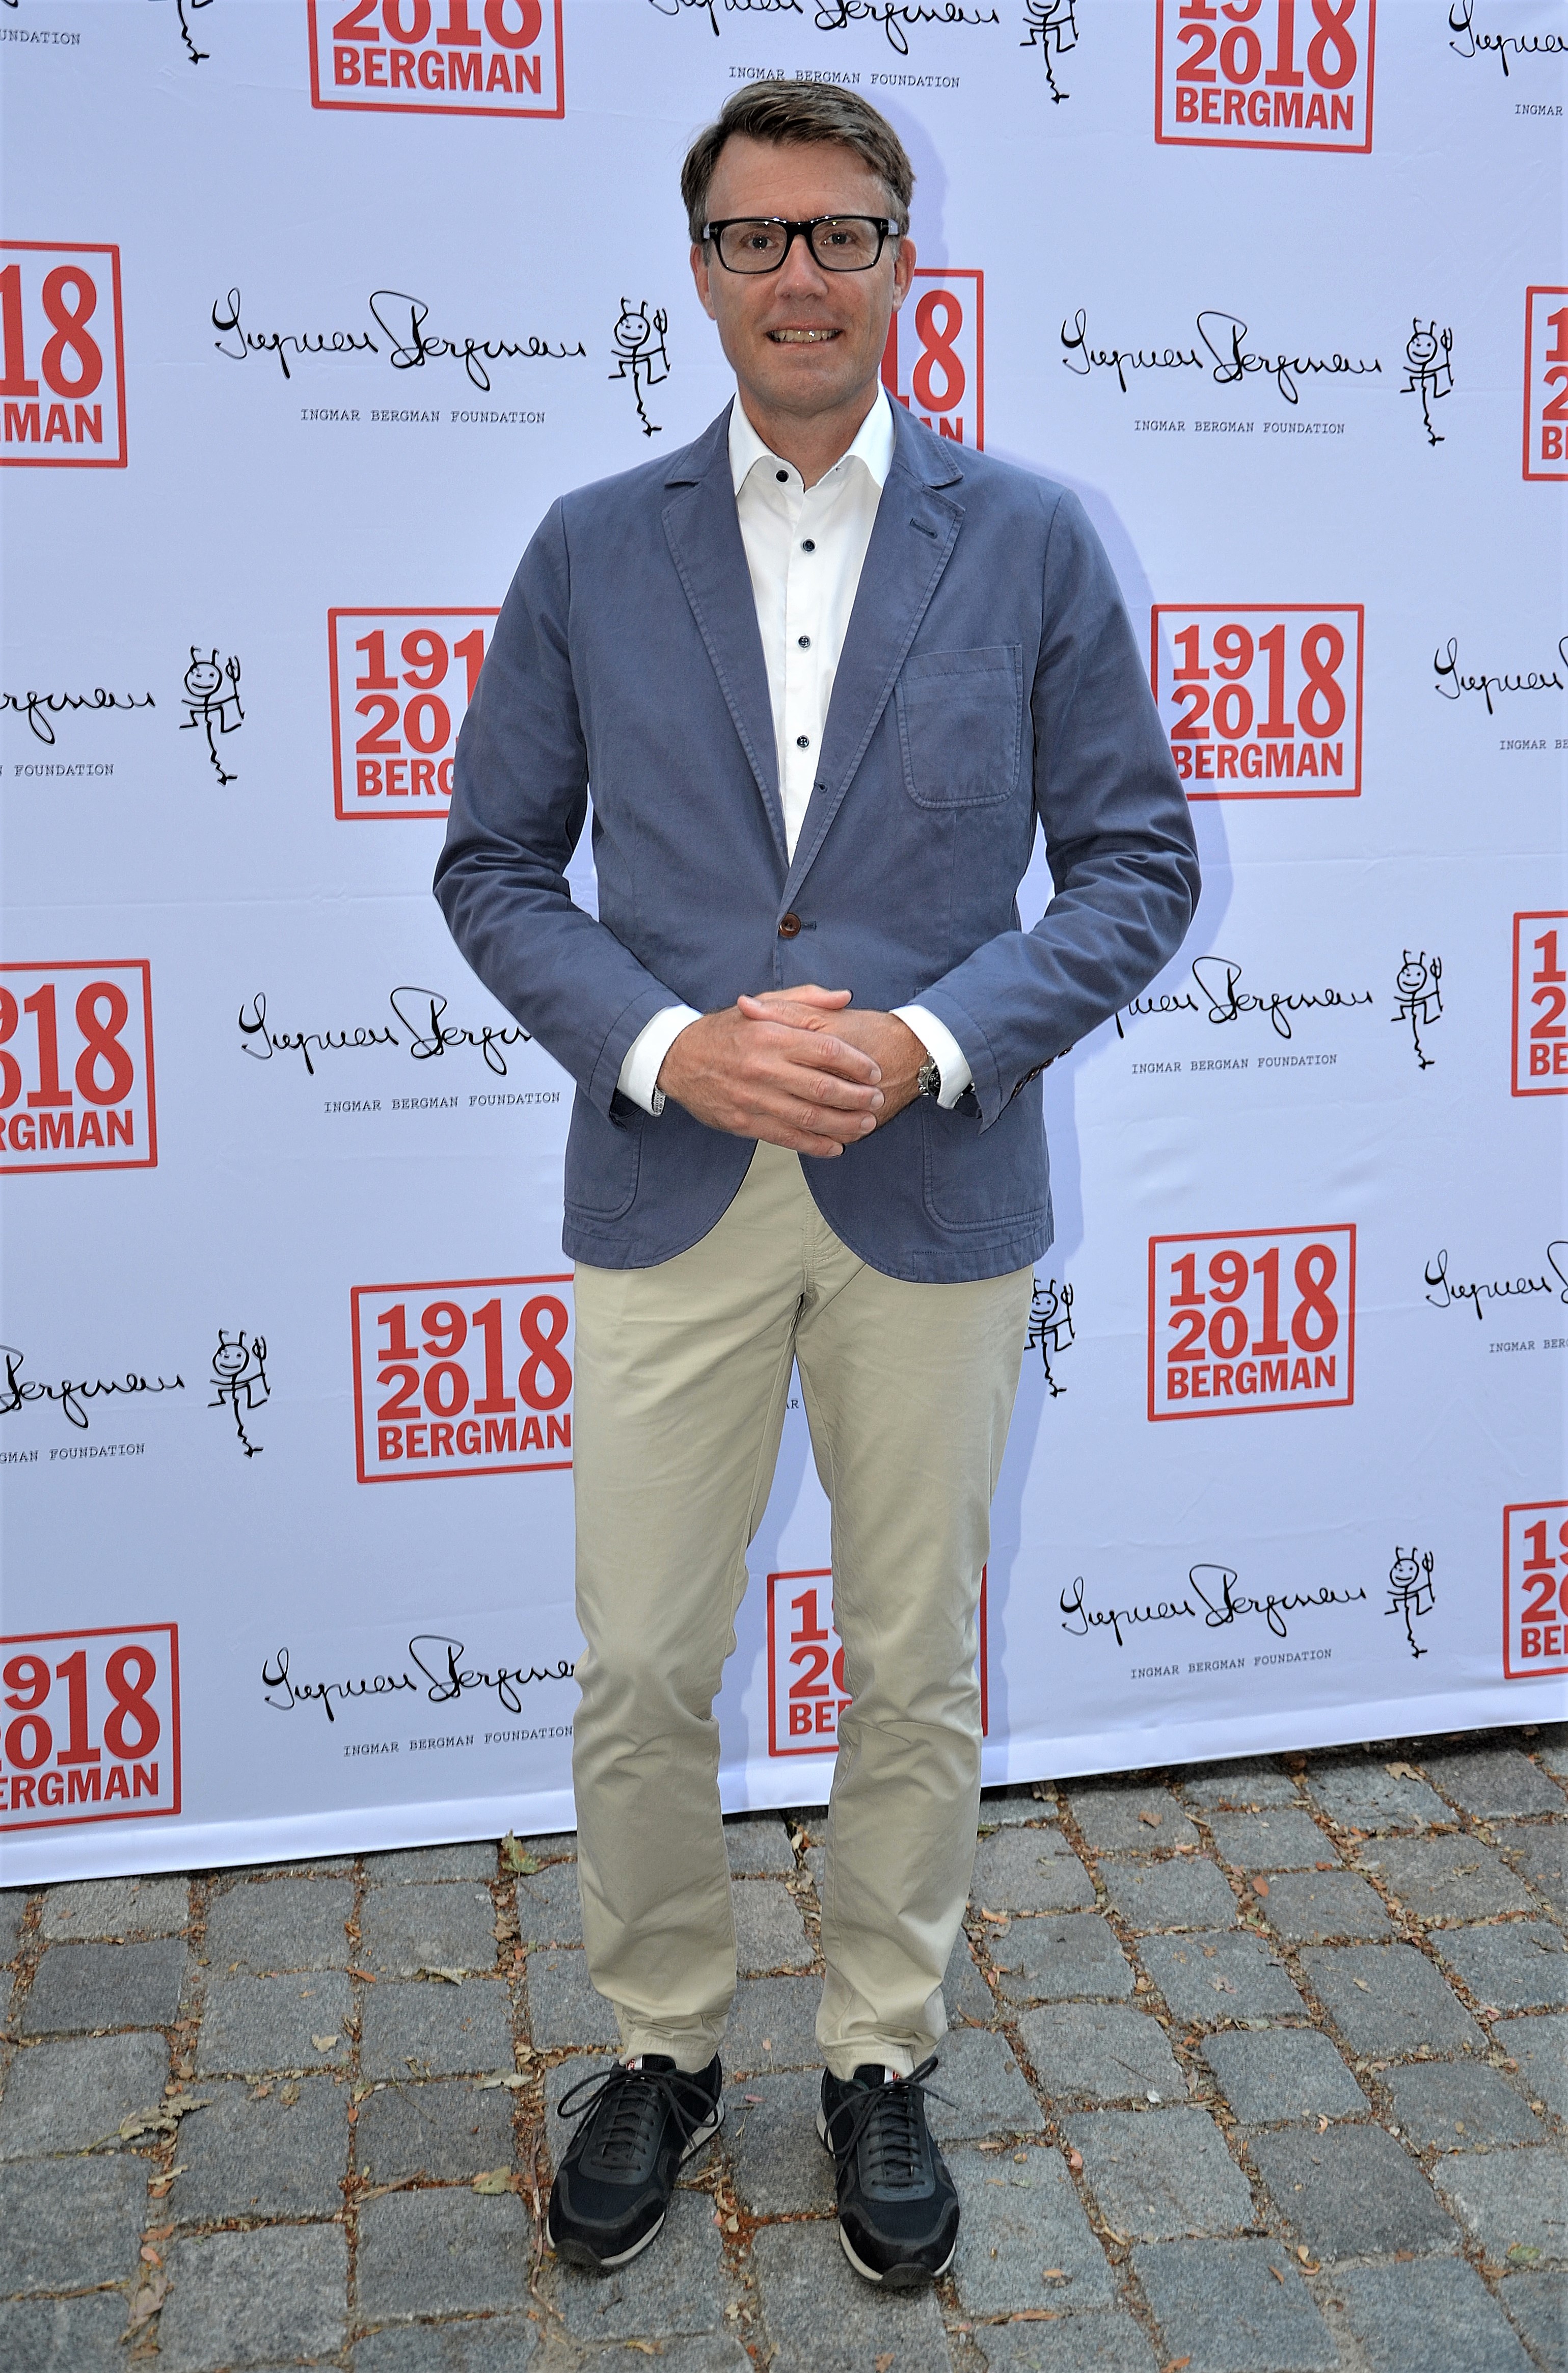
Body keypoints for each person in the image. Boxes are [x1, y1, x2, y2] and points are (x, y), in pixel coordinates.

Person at [435, 78, 1199, 2288]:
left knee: (912, 1659)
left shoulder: (1029, 538)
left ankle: (877, 2047)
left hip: (928, 1185)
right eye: (756, 236)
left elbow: (1133, 864)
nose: (800, 274)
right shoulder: (588, 545)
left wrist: (928, 1041)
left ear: (900, 261)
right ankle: (662, 2040)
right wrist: (673, 1043)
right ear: (698, 271)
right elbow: (493, 865)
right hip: (670, 1180)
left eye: (841, 233)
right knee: (640, 1663)